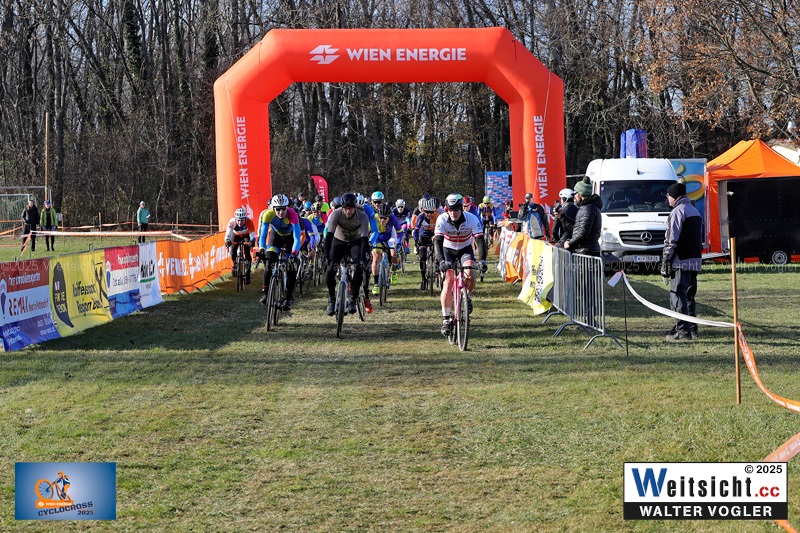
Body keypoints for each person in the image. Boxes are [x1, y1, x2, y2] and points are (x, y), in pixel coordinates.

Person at [434, 194, 487, 336]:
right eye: (450, 209)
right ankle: (446, 319)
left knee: (471, 276)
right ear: (446, 209)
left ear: (461, 208)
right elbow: (437, 241)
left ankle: (466, 297)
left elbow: (480, 240)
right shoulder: (442, 219)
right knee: (448, 281)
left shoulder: (472, 218)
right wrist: (441, 261)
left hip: (465, 249)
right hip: (448, 250)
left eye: (456, 209)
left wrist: (482, 260)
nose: (453, 212)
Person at [661, 181, 702, 341]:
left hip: (680, 261)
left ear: (674, 196)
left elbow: (671, 239)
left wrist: (666, 260)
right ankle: (692, 329)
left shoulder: (677, 212)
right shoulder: (694, 210)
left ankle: (683, 332)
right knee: (689, 297)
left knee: (678, 296)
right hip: (694, 260)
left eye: (668, 196)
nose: (668, 199)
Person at [324, 192, 371, 316]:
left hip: (355, 242)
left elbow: (364, 239)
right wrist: (326, 255)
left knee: (359, 267)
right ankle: (331, 299)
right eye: (345, 208)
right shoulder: (336, 214)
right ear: (342, 207)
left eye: (350, 208)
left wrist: (363, 258)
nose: (348, 211)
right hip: (338, 241)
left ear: (355, 208)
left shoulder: (363, 216)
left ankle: (353, 299)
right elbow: (329, 236)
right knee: (331, 270)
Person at [258, 194, 301, 311]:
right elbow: (263, 235)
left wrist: (294, 253)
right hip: (276, 237)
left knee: (291, 268)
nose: (281, 212)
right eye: (278, 209)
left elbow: (297, 238)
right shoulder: (267, 214)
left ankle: (288, 298)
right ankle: (266, 293)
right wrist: (261, 249)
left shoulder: (292, 214)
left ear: (287, 208)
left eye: (283, 209)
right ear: (273, 208)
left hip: (290, 238)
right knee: (268, 263)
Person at [371, 202, 401, 291]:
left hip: (390, 236)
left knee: (393, 254)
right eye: (381, 218)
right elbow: (368, 232)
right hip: (377, 237)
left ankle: (394, 269)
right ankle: (376, 284)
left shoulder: (393, 218)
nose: (382, 220)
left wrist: (398, 243)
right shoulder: (374, 218)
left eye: (385, 218)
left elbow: (400, 232)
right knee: (376, 257)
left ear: (389, 217)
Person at [225, 207, 256, 284]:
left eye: (242, 220)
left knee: (247, 251)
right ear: (235, 219)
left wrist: (252, 241)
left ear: (245, 219)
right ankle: (235, 265)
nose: (240, 222)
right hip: (236, 235)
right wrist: (227, 240)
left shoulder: (249, 221)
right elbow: (228, 234)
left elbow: (252, 233)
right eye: (238, 220)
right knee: (233, 250)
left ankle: (248, 272)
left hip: (246, 235)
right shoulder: (232, 222)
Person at [414, 197, 439, 291]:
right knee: (422, 257)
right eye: (427, 212)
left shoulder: (438, 216)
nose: (429, 214)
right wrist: (416, 240)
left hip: (434, 235)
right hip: (423, 236)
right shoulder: (421, 216)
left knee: (438, 251)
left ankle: (437, 267)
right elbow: (416, 230)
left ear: (435, 210)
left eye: (431, 212)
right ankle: (423, 278)